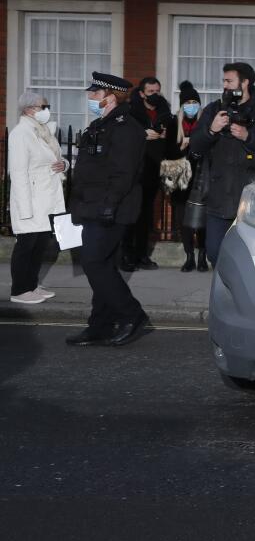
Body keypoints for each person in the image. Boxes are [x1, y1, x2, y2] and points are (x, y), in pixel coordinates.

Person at [66, 72, 150, 347]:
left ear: (110, 98)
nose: (90, 97)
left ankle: (132, 315)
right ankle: (99, 325)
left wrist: (108, 207)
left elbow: (122, 174)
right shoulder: (102, 124)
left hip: (110, 209)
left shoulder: (127, 128)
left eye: (95, 94)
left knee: (93, 263)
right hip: (93, 206)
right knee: (102, 265)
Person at [189, 63, 255, 261]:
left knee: (247, 256)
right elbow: (195, 147)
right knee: (214, 252)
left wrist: (248, 136)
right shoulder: (213, 110)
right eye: (224, 81)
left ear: (245, 82)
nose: (225, 85)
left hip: (253, 198)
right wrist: (211, 130)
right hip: (219, 196)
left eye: (229, 81)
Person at [7, 92, 66, 305]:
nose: (47, 109)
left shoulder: (42, 131)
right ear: (29, 109)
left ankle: (31, 284)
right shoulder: (20, 133)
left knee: (40, 243)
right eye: (44, 106)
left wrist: (64, 165)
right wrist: (24, 208)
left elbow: (56, 158)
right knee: (26, 244)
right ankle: (20, 290)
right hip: (31, 198)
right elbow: (19, 172)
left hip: (46, 197)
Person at [123, 76, 172, 271]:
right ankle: (126, 255)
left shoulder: (164, 111)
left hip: (153, 170)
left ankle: (141, 255)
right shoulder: (130, 111)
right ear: (142, 93)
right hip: (135, 171)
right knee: (130, 214)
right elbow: (122, 138)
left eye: (157, 92)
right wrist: (143, 134)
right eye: (151, 92)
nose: (155, 96)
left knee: (146, 215)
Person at [167, 81, 207, 273]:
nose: (191, 105)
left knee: (201, 221)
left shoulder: (205, 122)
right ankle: (189, 255)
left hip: (200, 178)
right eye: (188, 102)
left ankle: (202, 256)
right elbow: (167, 151)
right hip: (180, 177)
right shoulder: (174, 123)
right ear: (182, 104)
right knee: (184, 221)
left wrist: (195, 143)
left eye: (194, 101)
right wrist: (180, 148)